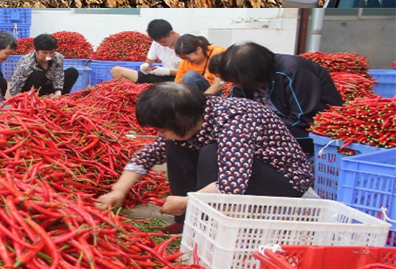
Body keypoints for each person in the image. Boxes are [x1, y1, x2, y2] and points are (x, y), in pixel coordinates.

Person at [97, 85, 314, 234]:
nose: (159, 133)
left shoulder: (235, 123)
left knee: (210, 152)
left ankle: (207, 226)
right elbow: (147, 155)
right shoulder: (194, 118)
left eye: (162, 128)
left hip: (284, 182)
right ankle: (186, 222)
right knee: (175, 146)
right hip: (248, 175)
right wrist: (119, 190)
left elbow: (231, 186)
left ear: (181, 119)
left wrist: (187, 200)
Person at [219, 43, 343, 156]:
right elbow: (234, 111)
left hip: (309, 133)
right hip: (271, 128)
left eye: (239, 81)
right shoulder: (244, 83)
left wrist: (257, 130)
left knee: (244, 141)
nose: (238, 85)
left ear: (255, 73)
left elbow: (303, 119)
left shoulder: (294, 72)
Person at [110, 18, 181, 85]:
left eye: (163, 41)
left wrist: (169, 72)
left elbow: (190, 73)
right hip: (162, 78)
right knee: (116, 71)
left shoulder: (186, 43)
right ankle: (139, 92)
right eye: (159, 42)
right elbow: (149, 62)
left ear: (172, 33)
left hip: (179, 80)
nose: (162, 44)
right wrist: (145, 67)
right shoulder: (157, 44)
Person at [6, 34, 79, 98]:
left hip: (47, 86)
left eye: (52, 52)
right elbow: (15, 88)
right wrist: (22, 99)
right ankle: (32, 98)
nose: (48, 56)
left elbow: (58, 76)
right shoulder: (26, 63)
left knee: (72, 72)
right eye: (44, 53)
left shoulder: (58, 58)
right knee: (38, 75)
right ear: (36, 50)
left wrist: (58, 91)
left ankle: (61, 98)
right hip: (30, 90)